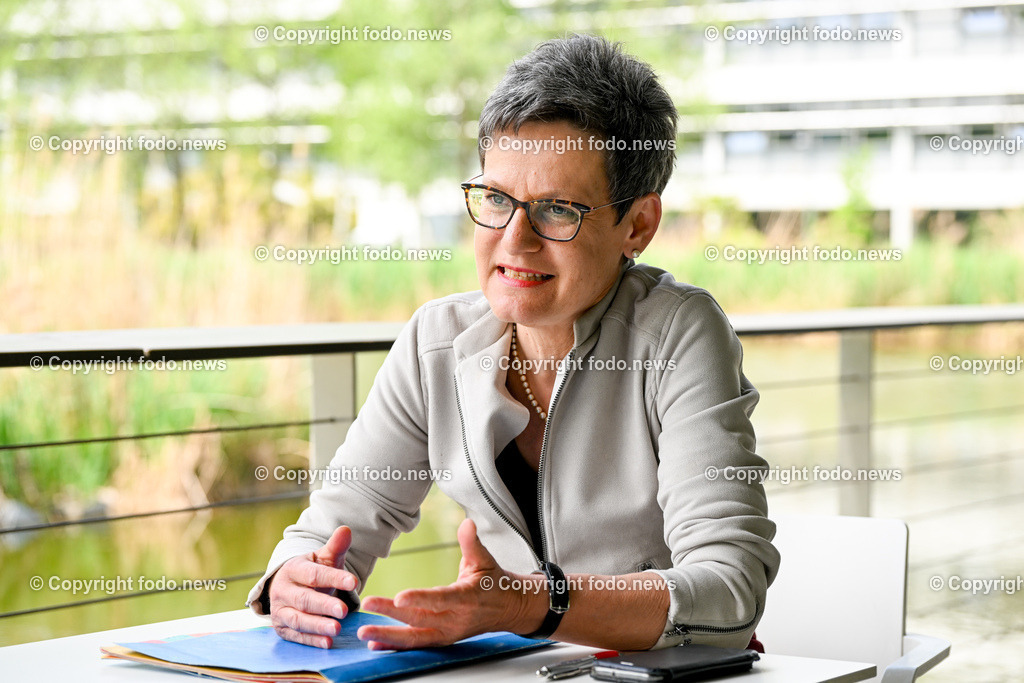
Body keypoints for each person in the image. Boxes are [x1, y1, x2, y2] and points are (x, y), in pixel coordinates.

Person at [247, 33, 779, 652]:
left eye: (557, 210)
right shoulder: (435, 344)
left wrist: (532, 605)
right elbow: (337, 524)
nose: (514, 239)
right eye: (497, 199)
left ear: (637, 226)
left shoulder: (681, 335)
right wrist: (296, 580)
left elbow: (729, 590)